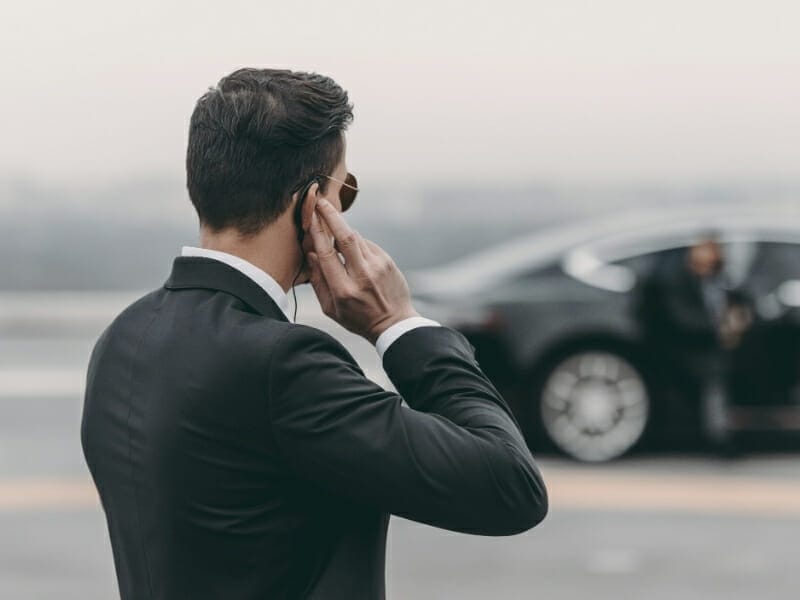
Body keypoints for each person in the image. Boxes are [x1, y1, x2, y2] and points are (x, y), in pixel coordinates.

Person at [80, 68, 548, 600]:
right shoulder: (283, 365)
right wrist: (398, 324)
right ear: (311, 205)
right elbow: (509, 488)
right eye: (343, 191)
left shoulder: (122, 339)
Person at [633, 233, 751, 452]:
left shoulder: (720, 279)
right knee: (714, 373)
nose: (710, 254)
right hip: (685, 347)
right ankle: (719, 436)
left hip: (716, 345)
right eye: (704, 248)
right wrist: (721, 329)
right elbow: (681, 318)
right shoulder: (676, 279)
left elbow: (740, 304)